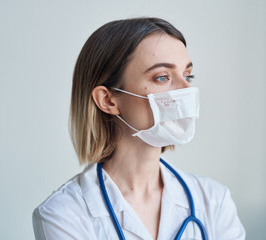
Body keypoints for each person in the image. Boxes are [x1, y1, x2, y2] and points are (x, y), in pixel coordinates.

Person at [32, 17, 246, 240]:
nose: (186, 90)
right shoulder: (63, 215)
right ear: (108, 100)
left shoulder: (214, 200)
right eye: (162, 77)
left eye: (187, 76)